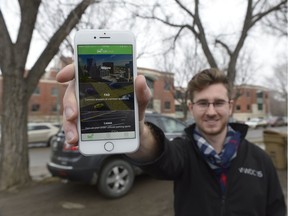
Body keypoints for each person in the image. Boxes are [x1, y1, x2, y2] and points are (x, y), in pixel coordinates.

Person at [57, 65, 286, 216]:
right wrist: (134, 128)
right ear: (190, 108)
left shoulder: (261, 160)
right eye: (203, 103)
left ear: (231, 106)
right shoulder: (183, 152)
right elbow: (159, 154)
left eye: (219, 102)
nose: (212, 111)